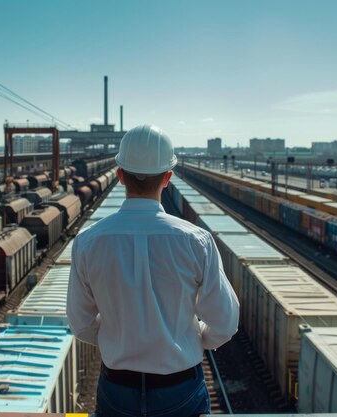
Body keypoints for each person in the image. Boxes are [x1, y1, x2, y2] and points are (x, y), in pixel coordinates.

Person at [67, 124, 239, 417]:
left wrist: (119, 337)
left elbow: (80, 323)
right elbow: (224, 324)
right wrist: (194, 338)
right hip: (181, 388)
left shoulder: (88, 242)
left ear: (119, 176)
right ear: (168, 178)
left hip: (117, 388)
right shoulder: (197, 241)